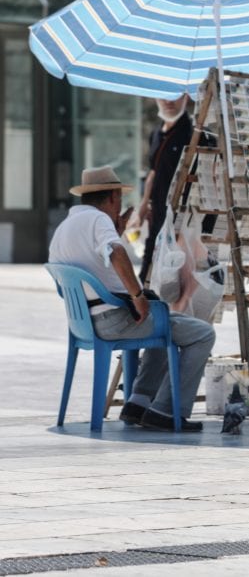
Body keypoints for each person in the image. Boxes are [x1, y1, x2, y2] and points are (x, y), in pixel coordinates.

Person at [49, 166, 215, 432]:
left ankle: (138, 403)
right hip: (113, 320)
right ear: (113, 196)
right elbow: (115, 252)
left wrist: (118, 231)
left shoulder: (65, 228)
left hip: (86, 322)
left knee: (163, 320)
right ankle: (166, 410)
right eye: (120, 200)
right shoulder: (98, 220)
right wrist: (137, 296)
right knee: (202, 333)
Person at [131, 94, 198, 285]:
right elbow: (153, 171)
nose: (168, 101)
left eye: (175, 96)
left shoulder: (192, 132)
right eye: (163, 96)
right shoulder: (156, 133)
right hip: (157, 214)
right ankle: (146, 309)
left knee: (174, 279)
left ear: (185, 97)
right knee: (147, 272)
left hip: (181, 219)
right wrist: (143, 206)